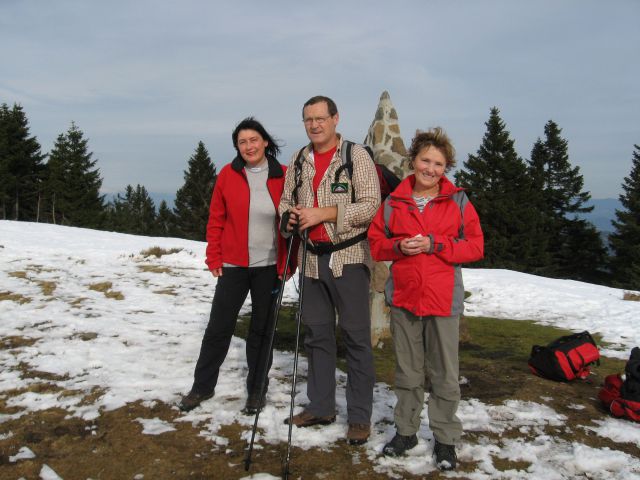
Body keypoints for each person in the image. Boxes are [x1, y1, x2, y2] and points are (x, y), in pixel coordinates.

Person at [367, 127, 484, 470]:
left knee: (445, 374)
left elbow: (476, 246)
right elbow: (376, 243)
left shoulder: (458, 201)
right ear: (413, 160)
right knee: (407, 371)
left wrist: (437, 244)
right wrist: (398, 246)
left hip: (443, 300)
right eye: (425, 160)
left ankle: (446, 439)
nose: (431, 169)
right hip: (404, 298)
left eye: (438, 163)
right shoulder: (394, 202)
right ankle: (406, 432)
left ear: (446, 167)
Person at [278, 95, 380, 445]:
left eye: (321, 118)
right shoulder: (297, 160)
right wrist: (289, 218)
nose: (315, 125)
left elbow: (370, 205)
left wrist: (326, 213)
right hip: (309, 260)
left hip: (348, 257)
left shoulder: (356, 156)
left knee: (355, 338)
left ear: (336, 118)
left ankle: (359, 417)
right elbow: (285, 204)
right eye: (308, 120)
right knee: (316, 335)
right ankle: (321, 406)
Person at [179, 117, 293, 415]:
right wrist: (214, 257)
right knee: (218, 327)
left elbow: (293, 220)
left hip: (270, 266)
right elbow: (216, 219)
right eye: (242, 142)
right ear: (237, 147)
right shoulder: (228, 175)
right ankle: (201, 387)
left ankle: (257, 391)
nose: (249, 146)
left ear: (265, 141)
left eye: (253, 140)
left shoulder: (285, 176)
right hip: (233, 265)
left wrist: (287, 264)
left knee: (261, 331)